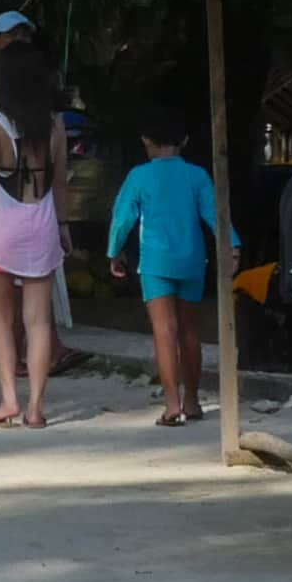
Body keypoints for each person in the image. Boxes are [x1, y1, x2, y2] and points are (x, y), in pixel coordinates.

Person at [108, 126, 230, 427]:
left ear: (145, 139)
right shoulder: (197, 175)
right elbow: (216, 214)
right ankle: (193, 400)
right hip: (192, 259)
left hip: (155, 261)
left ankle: (172, 405)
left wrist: (114, 250)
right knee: (190, 330)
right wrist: (233, 246)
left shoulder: (139, 176)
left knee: (165, 331)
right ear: (185, 139)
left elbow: (123, 218)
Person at [0, 81, 68, 428]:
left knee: (0, 319)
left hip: (3, 225)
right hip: (42, 223)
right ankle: (36, 408)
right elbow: (59, 183)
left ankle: (9, 399)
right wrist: (64, 226)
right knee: (39, 322)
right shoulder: (55, 123)